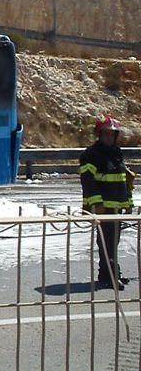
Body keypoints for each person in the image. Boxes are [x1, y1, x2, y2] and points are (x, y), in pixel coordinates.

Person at [79, 115, 136, 290]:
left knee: (113, 242)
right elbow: (88, 182)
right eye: (106, 134)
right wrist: (98, 204)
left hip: (117, 207)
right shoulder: (91, 155)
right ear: (100, 134)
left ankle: (106, 273)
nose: (109, 138)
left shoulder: (116, 153)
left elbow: (123, 180)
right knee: (107, 242)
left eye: (112, 134)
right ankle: (112, 275)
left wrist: (128, 202)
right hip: (103, 207)